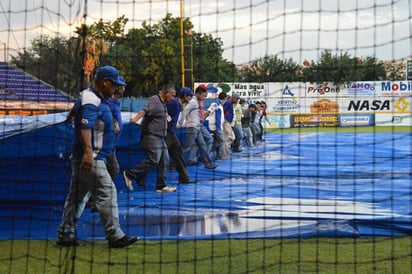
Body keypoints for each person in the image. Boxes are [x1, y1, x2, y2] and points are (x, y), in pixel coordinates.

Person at [57, 65, 138, 248]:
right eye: (115, 84)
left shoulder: (91, 97)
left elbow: (79, 116)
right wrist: (87, 153)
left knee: (77, 197)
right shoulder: (91, 99)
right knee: (107, 192)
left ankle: (66, 234)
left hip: (88, 157)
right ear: (105, 82)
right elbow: (85, 126)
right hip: (91, 158)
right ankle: (115, 235)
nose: (117, 88)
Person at [124, 84, 177, 193]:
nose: (173, 98)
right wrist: (135, 119)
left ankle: (161, 186)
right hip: (151, 136)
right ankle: (130, 174)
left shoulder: (163, 104)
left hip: (160, 137)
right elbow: (144, 111)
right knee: (154, 159)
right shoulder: (155, 100)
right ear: (166, 93)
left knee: (165, 160)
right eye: (172, 95)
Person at [177, 86, 217, 170]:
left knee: (203, 146)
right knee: (186, 147)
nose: (204, 97)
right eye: (203, 95)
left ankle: (208, 164)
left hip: (197, 127)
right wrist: (180, 124)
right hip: (192, 128)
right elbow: (184, 112)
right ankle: (175, 163)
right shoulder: (193, 102)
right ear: (198, 94)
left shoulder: (197, 101)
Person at [165, 86, 196, 184]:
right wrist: (167, 120)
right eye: (190, 96)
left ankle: (184, 178)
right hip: (166, 132)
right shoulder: (174, 103)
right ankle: (134, 174)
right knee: (156, 158)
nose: (190, 98)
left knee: (178, 155)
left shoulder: (178, 105)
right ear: (185, 96)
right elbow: (163, 110)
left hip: (171, 133)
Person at [187, 84, 213, 165]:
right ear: (199, 93)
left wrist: (205, 115)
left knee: (197, 144)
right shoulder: (194, 101)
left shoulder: (201, 100)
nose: (206, 94)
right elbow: (187, 111)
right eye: (205, 92)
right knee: (209, 139)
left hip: (199, 123)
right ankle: (203, 158)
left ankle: (192, 160)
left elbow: (200, 112)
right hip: (195, 124)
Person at [204, 92, 226, 160]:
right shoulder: (215, 104)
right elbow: (208, 111)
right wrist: (203, 117)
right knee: (221, 140)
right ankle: (207, 153)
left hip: (219, 125)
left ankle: (218, 156)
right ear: (225, 98)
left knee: (218, 140)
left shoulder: (220, 105)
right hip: (216, 126)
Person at [222, 93, 237, 158]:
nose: (237, 101)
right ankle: (224, 153)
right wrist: (224, 119)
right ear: (233, 98)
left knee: (227, 138)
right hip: (226, 122)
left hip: (228, 122)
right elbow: (223, 111)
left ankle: (224, 153)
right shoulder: (228, 102)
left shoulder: (230, 103)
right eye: (236, 99)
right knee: (231, 137)